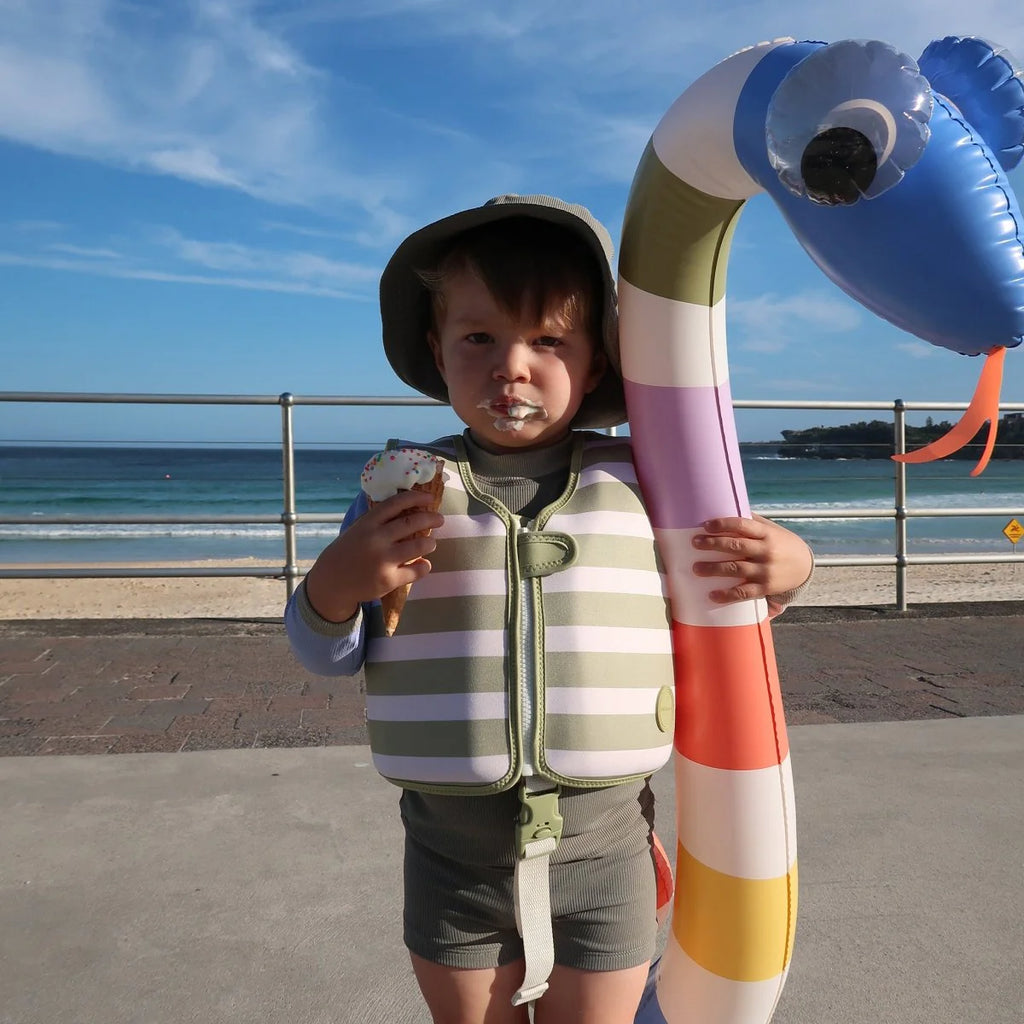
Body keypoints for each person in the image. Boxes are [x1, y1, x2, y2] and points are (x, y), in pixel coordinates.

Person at [285, 194, 813, 1024]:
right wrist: (338, 580)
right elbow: (325, 651)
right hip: (450, 861)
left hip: (606, 853)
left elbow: (722, 603)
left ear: (596, 363)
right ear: (438, 349)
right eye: (479, 338)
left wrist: (789, 567)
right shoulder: (401, 492)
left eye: (548, 341)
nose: (511, 367)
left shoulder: (648, 480)